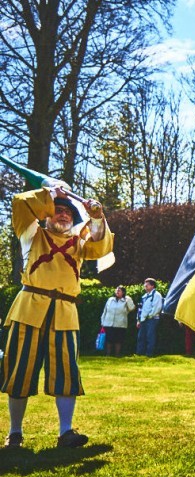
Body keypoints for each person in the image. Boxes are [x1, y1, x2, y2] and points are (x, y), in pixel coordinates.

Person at [1, 184, 112, 448]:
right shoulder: (31, 234)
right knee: (20, 373)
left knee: (66, 373)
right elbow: (20, 203)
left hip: (64, 313)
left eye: (68, 213)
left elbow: (101, 245)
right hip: (29, 310)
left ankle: (66, 432)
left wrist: (96, 216)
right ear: (46, 215)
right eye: (57, 211)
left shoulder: (79, 244)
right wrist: (51, 193)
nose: (62, 215)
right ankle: (14, 433)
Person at [100, 285, 135, 357]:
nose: (117, 292)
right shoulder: (110, 299)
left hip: (120, 324)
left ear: (123, 292)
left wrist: (128, 299)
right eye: (116, 290)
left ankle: (117, 354)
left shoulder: (125, 300)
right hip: (108, 323)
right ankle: (108, 354)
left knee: (118, 340)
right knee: (109, 340)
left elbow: (132, 308)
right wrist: (102, 322)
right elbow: (105, 311)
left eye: (119, 290)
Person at [136, 278, 163, 356]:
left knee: (150, 337)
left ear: (152, 286)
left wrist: (149, 316)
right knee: (141, 337)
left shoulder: (157, 295)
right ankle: (139, 353)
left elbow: (157, 308)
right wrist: (138, 319)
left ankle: (149, 354)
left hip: (152, 319)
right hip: (143, 319)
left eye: (147, 285)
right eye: (145, 284)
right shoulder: (144, 296)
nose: (145, 286)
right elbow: (140, 309)